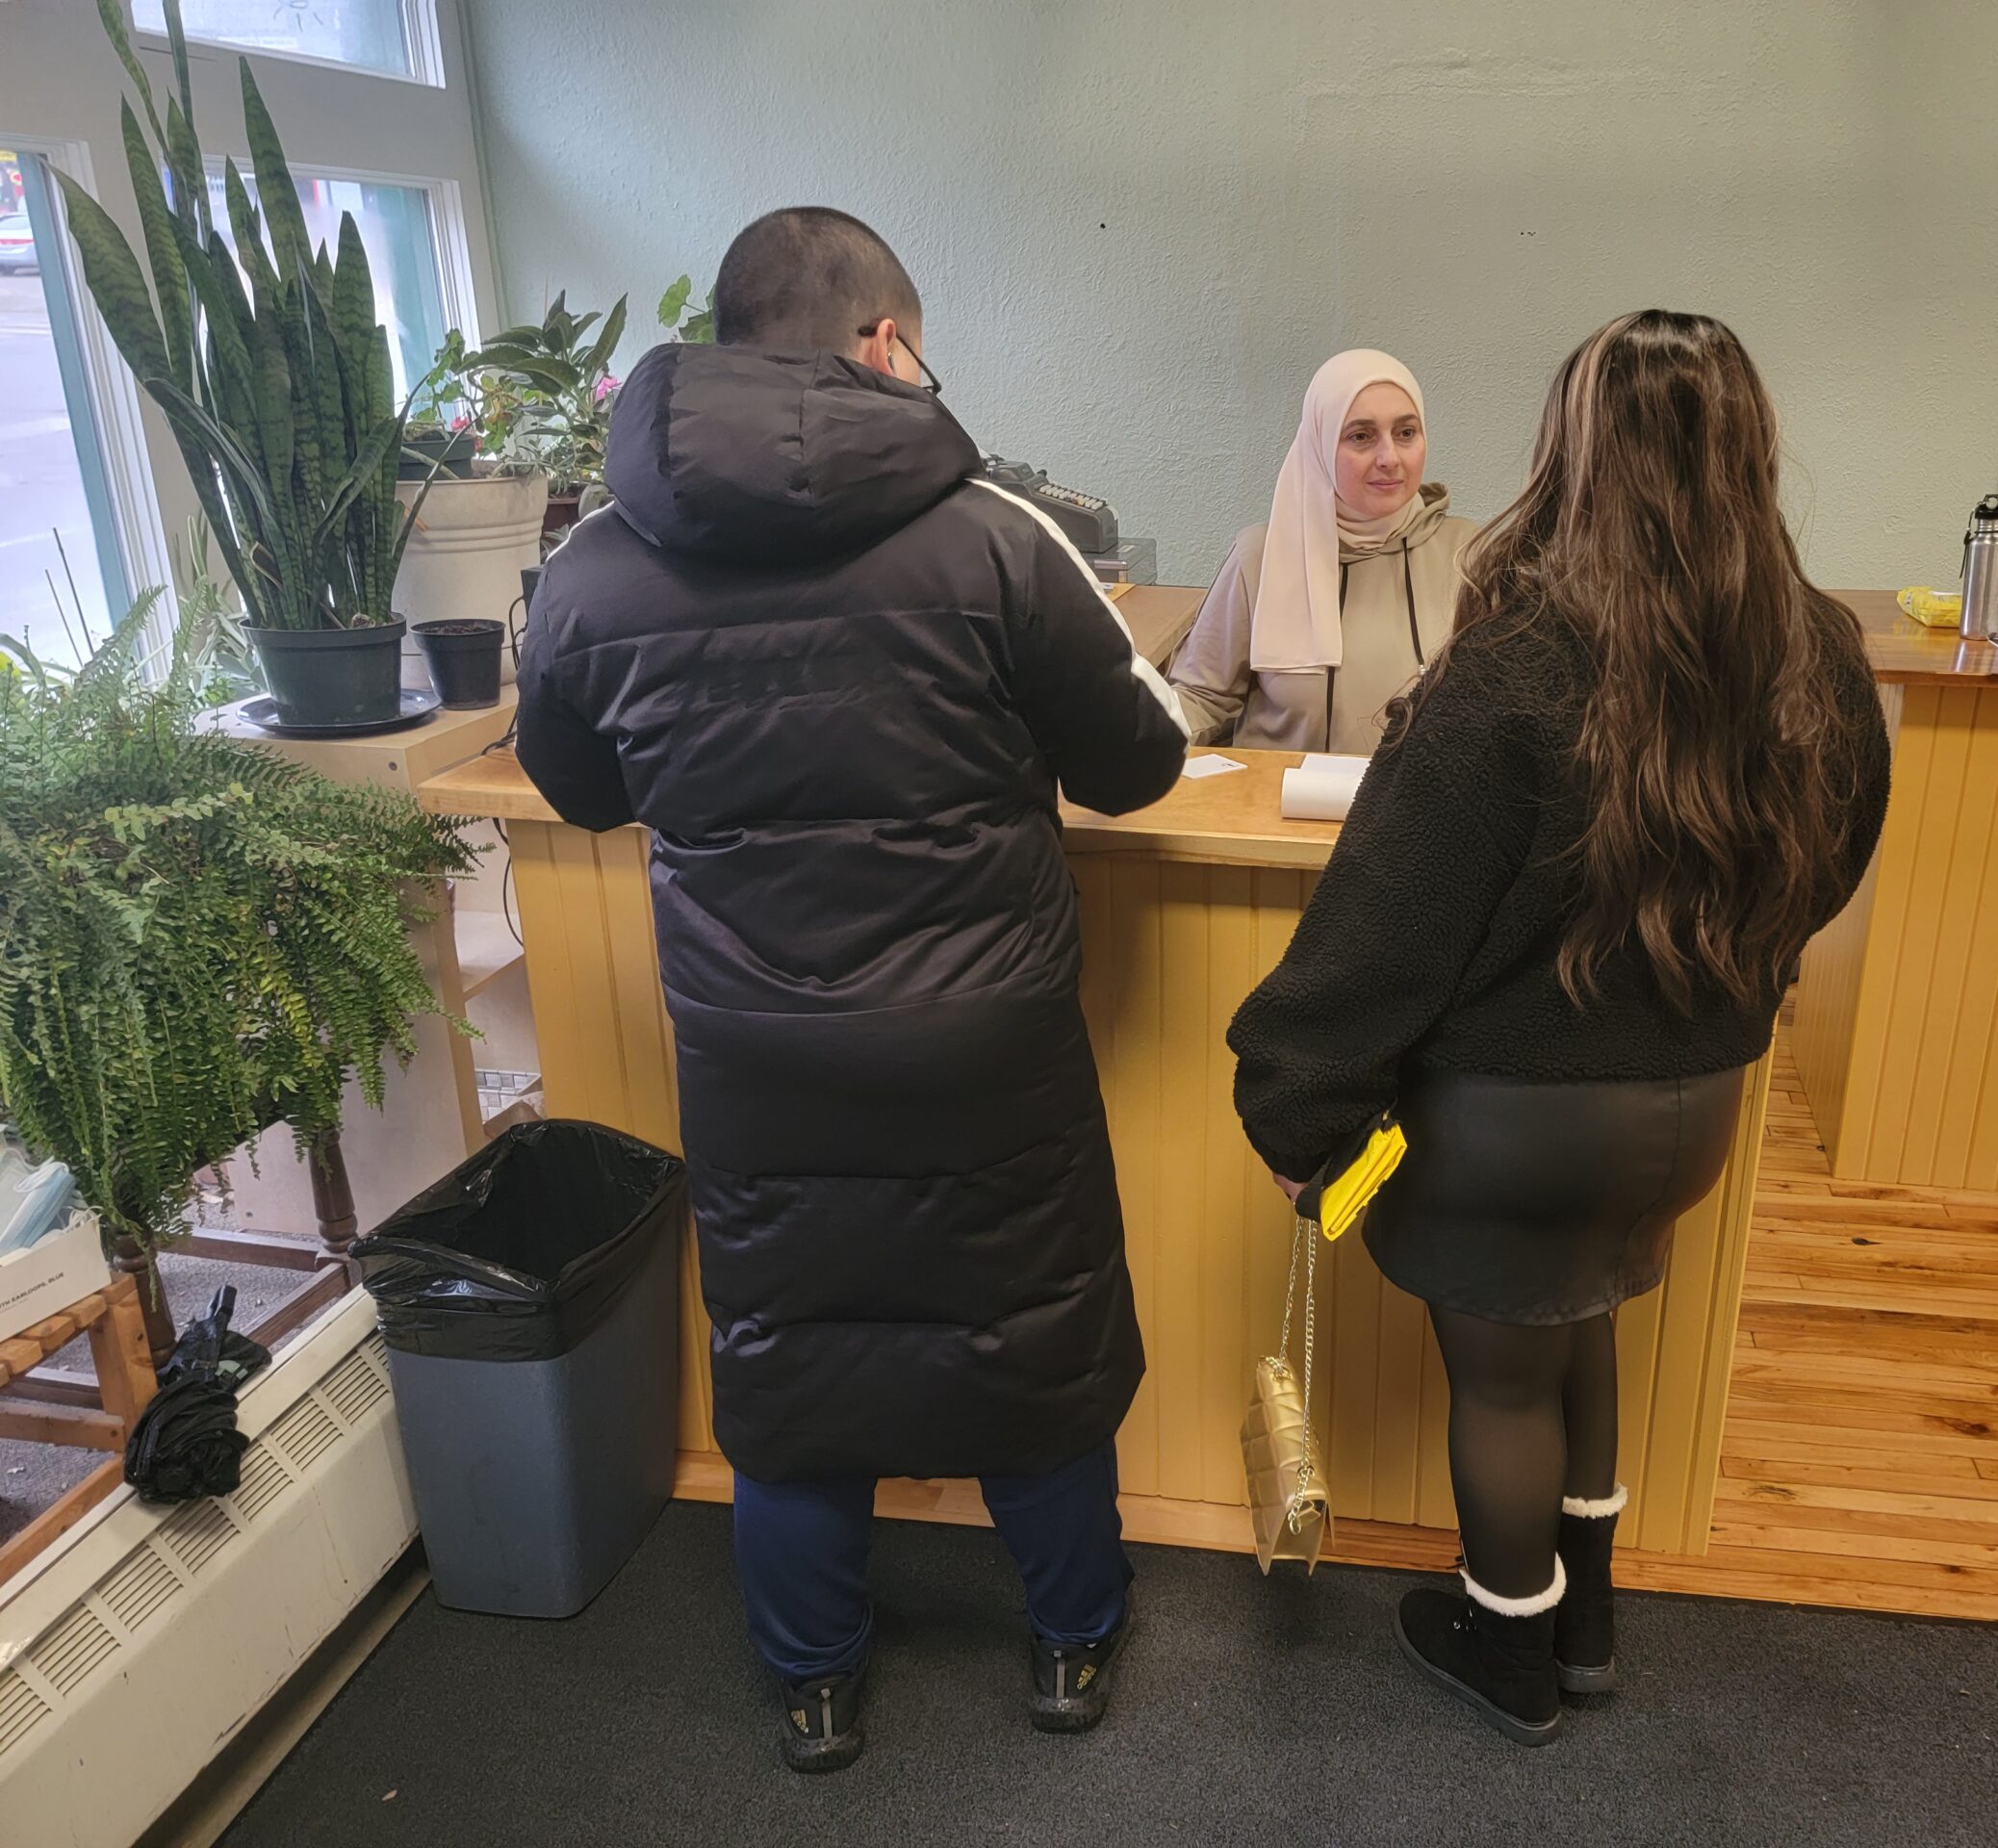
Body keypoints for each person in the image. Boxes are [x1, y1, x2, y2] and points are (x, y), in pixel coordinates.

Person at [515, 207, 1189, 1774]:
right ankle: (1074, 1645)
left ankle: (815, 1684)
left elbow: (581, 789)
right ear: (884, 345)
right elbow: (1142, 763)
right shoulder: (1002, 536)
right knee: (1030, 1340)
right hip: (987, 1042)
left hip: (758, 1052)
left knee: (790, 1353)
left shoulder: (595, 564)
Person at [1227, 312, 1891, 1746]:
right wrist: (1735, 982)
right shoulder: (1818, 654)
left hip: (1514, 1125)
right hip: (1695, 1108)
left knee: (1506, 1375)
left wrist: (1299, 1114)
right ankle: (1584, 1618)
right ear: (1749, 452)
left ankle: (1506, 1641)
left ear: (1569, 451)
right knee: (1579, 1314)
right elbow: (1837, 853)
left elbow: (1382, 929)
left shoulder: (1516, 669)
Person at [1167, 349, 1476, 755]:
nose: (1389, 458)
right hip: (1278, 811)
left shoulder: (1471, 554)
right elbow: (1202, 698)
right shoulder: (1259, 558)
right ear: (1319, 445)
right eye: (1361, 436)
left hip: (1422, 812)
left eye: (1406, 433)